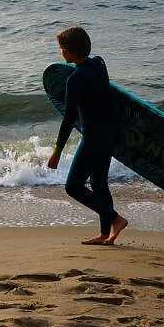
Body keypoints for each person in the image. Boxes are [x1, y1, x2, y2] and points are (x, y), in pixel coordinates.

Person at [48, 26, 129, 245]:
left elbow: (68, 120)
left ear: (71, 51)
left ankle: (116, 219)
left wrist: (56, 152)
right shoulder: (99, 63)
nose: (60, 51)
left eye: (61, 47)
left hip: (94, 136)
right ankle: (106, 234)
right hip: (110, 132)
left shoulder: (74, 80)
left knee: (73, 186)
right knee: (99, 183)